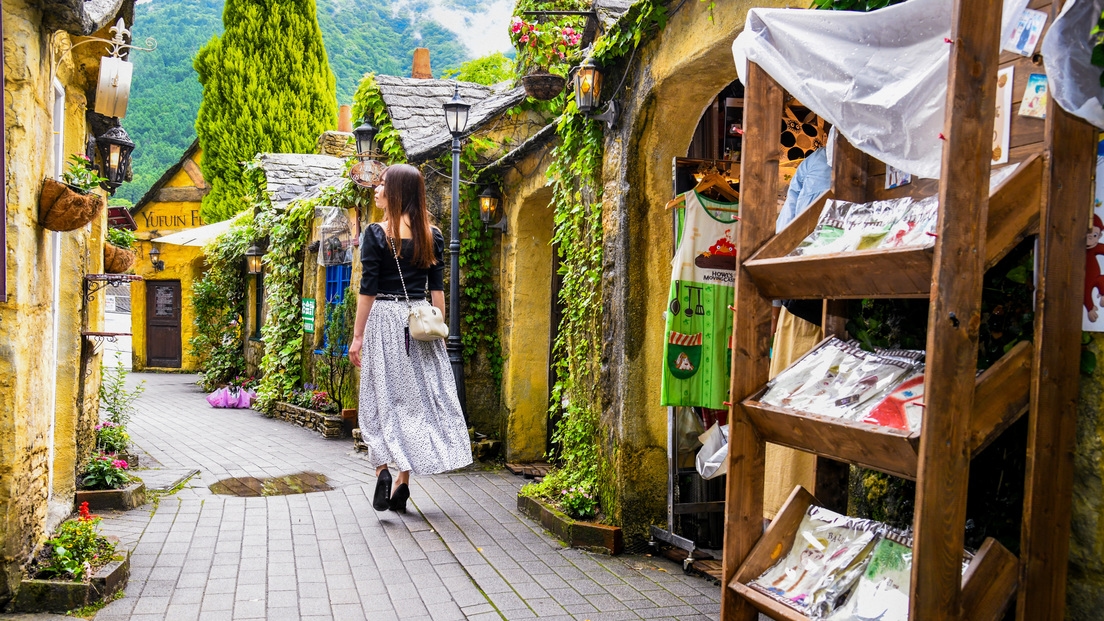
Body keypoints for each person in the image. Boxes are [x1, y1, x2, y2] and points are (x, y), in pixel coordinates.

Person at [348, 164, 473, 514]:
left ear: (397, 192)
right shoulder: (431, 234)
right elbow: (437, 292)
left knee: (380, 399)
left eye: (382, 184)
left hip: (385, 321)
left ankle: (382, 471)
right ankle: (403, 482)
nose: (376, 189)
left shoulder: (376, 234)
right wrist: (439, 332)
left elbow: (367, 290)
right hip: (419, 323)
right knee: (414, 404)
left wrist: (358, 336)